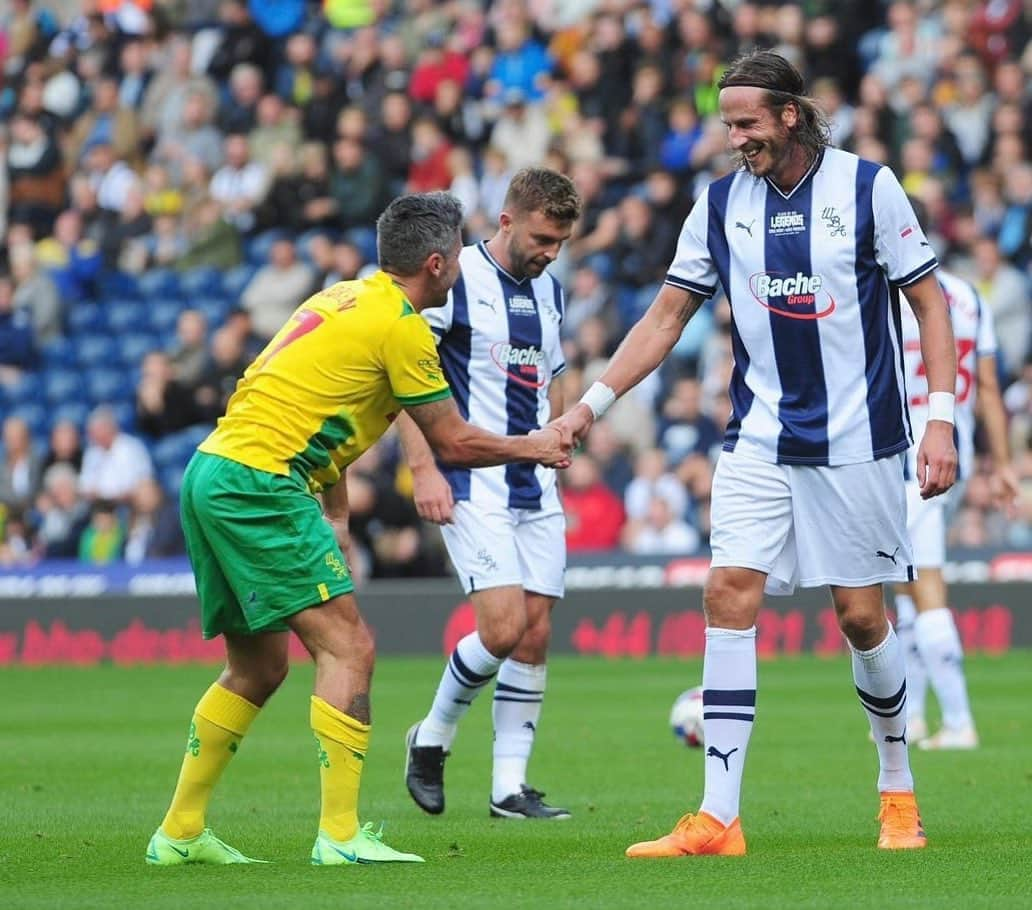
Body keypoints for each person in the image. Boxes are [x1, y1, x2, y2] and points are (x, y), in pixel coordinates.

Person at [552, 51, 958, 856]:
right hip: (759, 439)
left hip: (859, 442)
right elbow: (666, 317)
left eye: (747, 122)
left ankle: (897, 789)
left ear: (791, 116)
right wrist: (589, 406)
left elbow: (929, 301)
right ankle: (719, 816)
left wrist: (938, 418)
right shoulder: (717, 206)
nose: (736, 138)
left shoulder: (868, 188)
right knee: (728, 593)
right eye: (727, 124)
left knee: (862, 617)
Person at [146, 191, 572, 868]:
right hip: (262, 482)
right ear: (435, 264)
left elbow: (298, 398)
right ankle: (339, 835)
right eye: (457, 254)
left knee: (257, 666)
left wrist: (337, 510)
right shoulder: (401, 325)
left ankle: (180, 830)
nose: (464, 263)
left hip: (213, 471)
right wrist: (537, 445)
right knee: (349, 650)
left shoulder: (338, 298)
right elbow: (453, 441)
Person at [397, 168, 580, 820]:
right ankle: (432, 736)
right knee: (501, 628)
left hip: (537, 482)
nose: (550, 251)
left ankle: (508, 787)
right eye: (542, 237)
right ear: (506, 221)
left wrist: (560, 435)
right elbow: (406, 376)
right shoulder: (457, 283)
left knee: (533, 635)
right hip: (473, 479)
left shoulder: (550, 290)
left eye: (560, 241)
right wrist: (423, 467)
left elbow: (553, 373)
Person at [895, 263, 1018, 749]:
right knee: (904, 585)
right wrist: (1002, 461)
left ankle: (959, 720)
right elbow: (987, 384)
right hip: (954, 450)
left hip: (911, 454)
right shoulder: (967, 295)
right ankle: (915, 717)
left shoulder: (893, 290)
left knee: (924, 584)